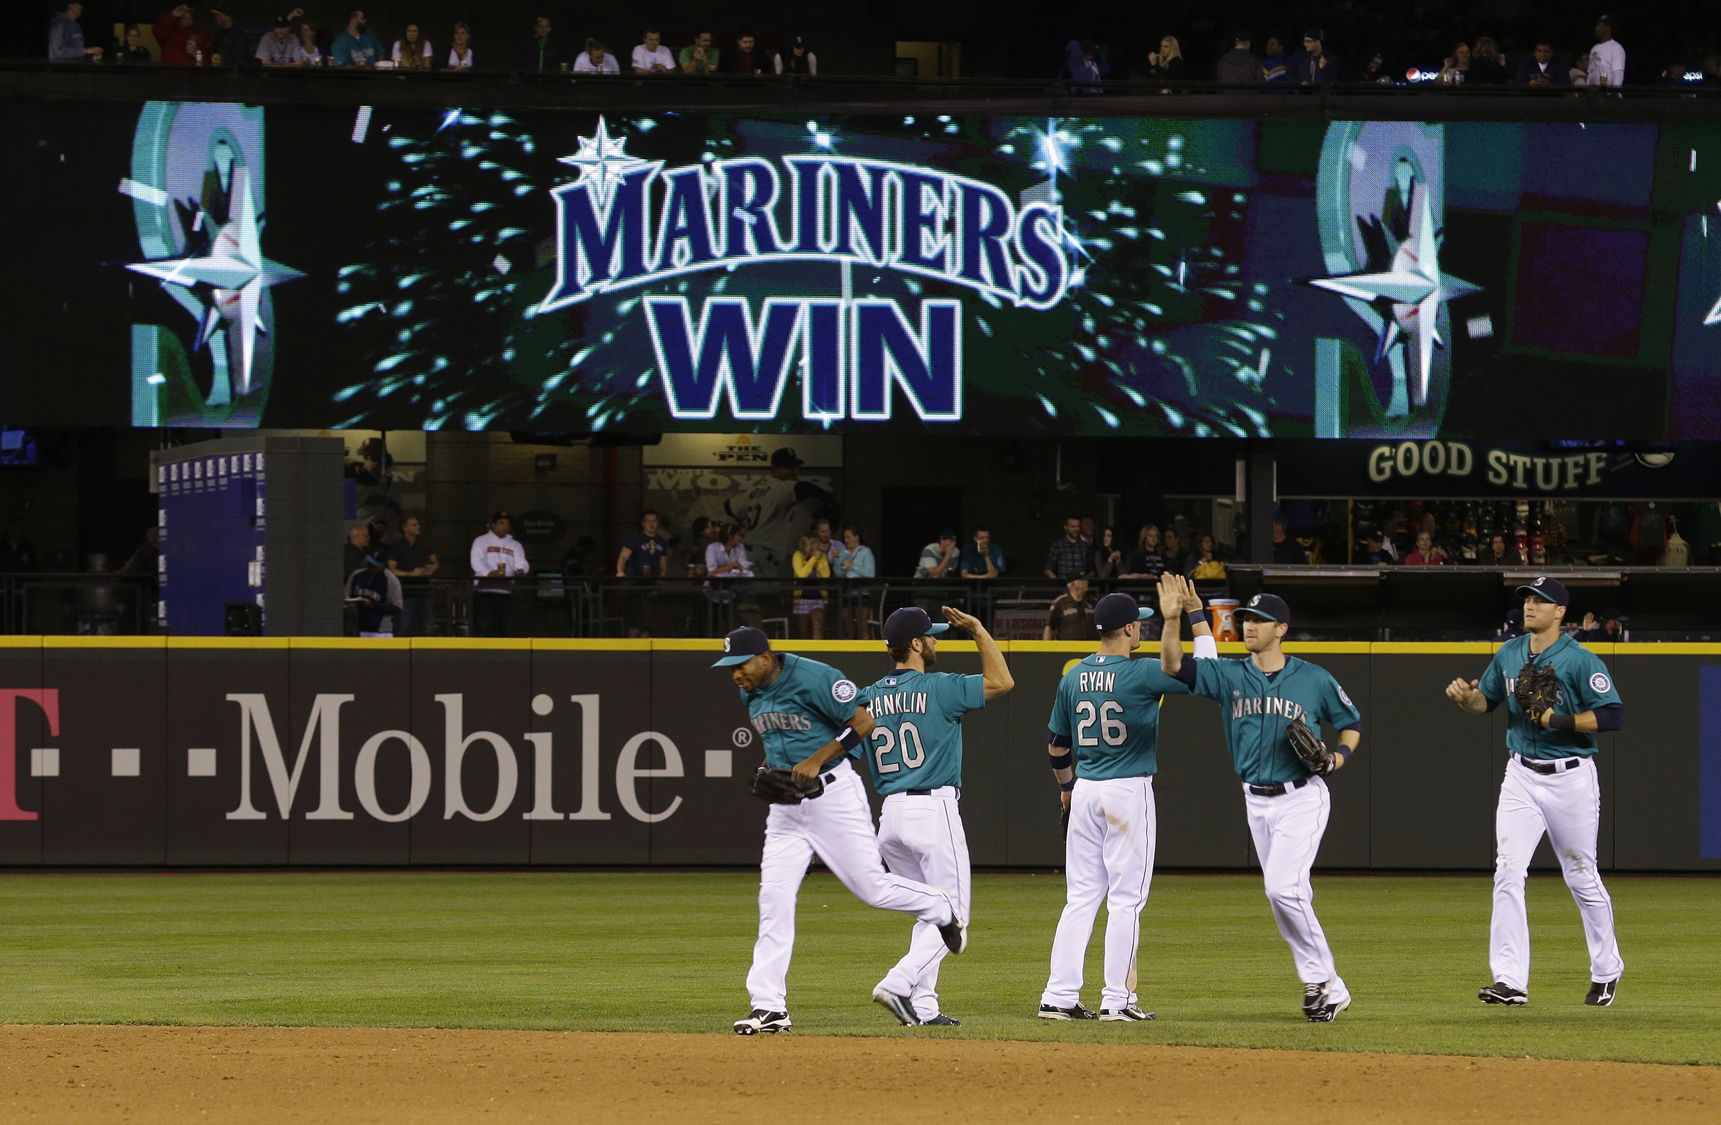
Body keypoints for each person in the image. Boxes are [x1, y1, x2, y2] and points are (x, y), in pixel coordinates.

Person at [714, 626, 966, 1035]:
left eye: (740, 665)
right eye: (729, 668)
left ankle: (942, 907)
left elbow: (863, 723)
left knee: (872, 888)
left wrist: (816, 759)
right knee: (773, 898)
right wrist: (767, 768)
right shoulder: (751, 690)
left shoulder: (815, 677)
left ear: (764, 657)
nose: (735, 675)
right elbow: (781, 742)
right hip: (787, 810)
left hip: (834, 795)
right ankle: (769, 1007)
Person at [1160, 580, 1363, 1022]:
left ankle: (1322, 980)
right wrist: (1174, 617)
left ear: (1281, 629)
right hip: (1256, 801)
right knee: (1286, 896)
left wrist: (1337, 758)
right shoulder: (1230, 674)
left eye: (1260, 621)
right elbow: (1175, 665)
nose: (1250, 626)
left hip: (1301, 798)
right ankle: (1332, 988)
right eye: (1247, 619)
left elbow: (1351, 723)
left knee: (1281, 887)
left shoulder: (1313, 678)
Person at [1443, 577, 1625, 1008]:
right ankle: (1509, 980)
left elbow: (1613, 715)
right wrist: (1466, 698)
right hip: (1521, 774)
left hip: (1571, 776)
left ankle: (1607, 969)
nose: (1529, 605)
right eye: (1527, 598)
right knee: (1508, 870)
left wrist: (1557, 721)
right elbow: (1485, 703)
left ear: (1560, 612)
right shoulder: (1508, 653)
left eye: (1540, 600)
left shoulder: (1581, 661)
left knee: (1581, 876)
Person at [1038, 590, 1191, 1022]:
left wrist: (1067, 790)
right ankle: (1117, 1000)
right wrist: (1188, 618)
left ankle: (1058, 996)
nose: (1141, 627)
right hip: (1127, 791)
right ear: (1127, 628)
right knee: (1126, 900)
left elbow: (1056, 746)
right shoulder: (1142, 672)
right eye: (1138, 622)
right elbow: (1198, 673)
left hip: (1085, 788)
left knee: (1080, 898)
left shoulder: (1073, 677)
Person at [864, 605, 1012, 1026]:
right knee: (953, 915)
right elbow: (1002, 681)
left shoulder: (868, 695)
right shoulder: (938, 688)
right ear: (915, 644)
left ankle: (925, 1008)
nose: (935, 641)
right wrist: (980, 631)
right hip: (931, 808)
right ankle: (898, 982)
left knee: (929, 912)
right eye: (930, 635)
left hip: (889, 815)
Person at [726, 448, 834, 579]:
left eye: (794, 467)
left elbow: (728, 506)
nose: (794, 471)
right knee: (768, 597)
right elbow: (805, 488)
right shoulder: (782, 487)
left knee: (749, 597)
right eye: (788, 467)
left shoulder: (754, 491)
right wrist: (831, 504)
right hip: (762, 557)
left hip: (748, 554)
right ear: (775, 469)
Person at [469, 510, 529, 637]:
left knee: (504, 628)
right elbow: (476, 562)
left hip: (506, 591)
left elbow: (522, 563)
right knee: (484, 627)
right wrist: (489, 573)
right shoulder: (481, 541)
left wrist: (521, 571)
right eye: (501, 523)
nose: (505, 526)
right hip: (485, 591)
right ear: (493, 525)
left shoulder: (515, 544)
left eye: (507, 524)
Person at [387, 515, 438, 636]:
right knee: (404, 626)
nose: (418, 527)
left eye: (418, 524)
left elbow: (435, 563)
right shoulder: (396, 546)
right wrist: (410, 574)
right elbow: (392, 569)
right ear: (405, 528)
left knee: (428, 627)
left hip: (425, 591)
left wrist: (428, 570)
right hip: (406, 592)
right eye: (414, 525)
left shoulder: (424, 545)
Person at [345, 552, 402, 638]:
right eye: (370, 562)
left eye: (375, 564)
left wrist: (372, 604)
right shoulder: (356, 575)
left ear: (383, 565)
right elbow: (346, 596)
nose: (371, 565)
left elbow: (397, 608)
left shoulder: (390, 579)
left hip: (380, 631)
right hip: (356, 629)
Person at [835, 524, 876, 637]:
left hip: (861, 591)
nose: (845, 540)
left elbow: (870, 574)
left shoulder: (866, 552)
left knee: (862, 623)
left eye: (848, 537)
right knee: (847, 623)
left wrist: (853, 565)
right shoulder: (843, 553)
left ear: (856, 537)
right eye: (844, 537)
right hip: (846, 590)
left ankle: (866, 650)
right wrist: (837, 561)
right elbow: (838, 573)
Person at [790, 534, 831, 639]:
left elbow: (826, 575)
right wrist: (812, 559)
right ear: (806, 545)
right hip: (802, 598)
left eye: (816, 542)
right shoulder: (798, 555)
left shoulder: (821, 556)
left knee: (818, 626)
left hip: (818, 597)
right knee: (803, 631)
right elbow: (801, 574)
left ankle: (819, 652)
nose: (816, 545)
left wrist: (819, 559)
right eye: (813, 543)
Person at [616, 510, 670, 578]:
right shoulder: (634, 539)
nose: (651, 524)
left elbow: (663, 563)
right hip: (635, 581)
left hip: (654, 582)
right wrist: (620, 571)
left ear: (658, 523)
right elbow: (623, 557)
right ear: (643, 523)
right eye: (648, 521)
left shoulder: (662, 541)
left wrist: (662, 577)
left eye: (654, 521)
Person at [1043, 516, 1089, 581]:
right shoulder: (1058, 546)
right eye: (1073, 527)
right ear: (1065, 527)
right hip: (1064, 587)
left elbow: (1090, 568)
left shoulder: (1085, 546)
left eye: (1078, 526)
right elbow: (1048, 569)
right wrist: (1058, 583)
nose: (1076, 529)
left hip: (1081, 586)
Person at [1588, 16, 1625, 87]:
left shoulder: (1616, 48)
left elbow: (1618, 74)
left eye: (1599, 25)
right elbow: (1590, 73)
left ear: (1607, 28)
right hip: (1593, 94)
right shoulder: (1594, 48)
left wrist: (1615, 92)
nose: (1596, 28)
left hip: (1608, 94)